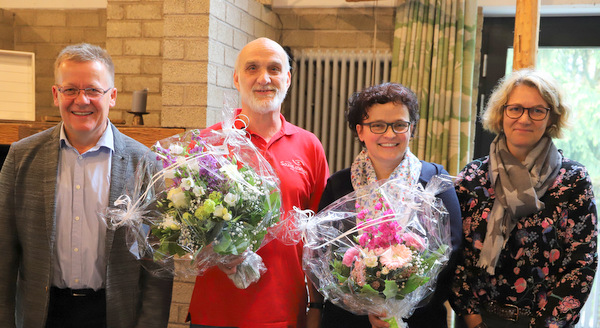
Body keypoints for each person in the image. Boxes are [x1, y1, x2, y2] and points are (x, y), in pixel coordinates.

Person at [0, 43, 173, 328]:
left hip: (114, 314)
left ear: (112, 96)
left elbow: (157, 261)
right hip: (42, 313)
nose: (82, 100)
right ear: (56, 94)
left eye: (93, 90)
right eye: (70, 89)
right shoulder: (21, 157)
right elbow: (4, 252)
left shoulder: (143, 162)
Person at [186, 37, 329, 327]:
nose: (264, 78)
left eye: (274, 69)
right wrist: (213, 251)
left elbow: (319, 238)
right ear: (237, 79)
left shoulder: (309, 146)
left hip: (283, 311)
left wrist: (316, 304)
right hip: (215, 311)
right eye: (252, 68)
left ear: (287, 79)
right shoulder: (209, 142)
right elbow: (185, 226)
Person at [450, 68, 598, 328]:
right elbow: (453, 250)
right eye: (515, 108)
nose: (524, 118)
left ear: (551, 117)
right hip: (476, 320)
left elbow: (581, 261)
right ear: (502, 112)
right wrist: (471, 317)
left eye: (537, 110)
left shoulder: (573, 179)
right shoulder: (473, 175)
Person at [315, 82, 463, 328]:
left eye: (399, 125)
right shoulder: (338, 185)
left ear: (411, 129)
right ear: (360, 131)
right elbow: (323, 255)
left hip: (418, 319)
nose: (389, 134)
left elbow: (452, 250)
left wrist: (401, 306)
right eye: (378, 125)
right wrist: (364, 305)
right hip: (349, 320)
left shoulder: (434, 180)